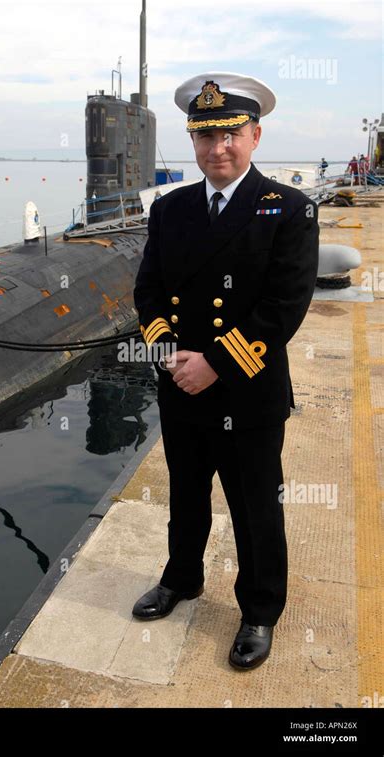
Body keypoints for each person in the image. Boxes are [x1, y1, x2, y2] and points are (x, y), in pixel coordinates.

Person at [132, 72, 319, 671]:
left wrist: (214, 363)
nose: (218, 149)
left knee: (255, 504)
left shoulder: (288, 209)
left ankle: (260, 609)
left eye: (231, 135)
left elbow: (284, 306)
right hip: (181, 383)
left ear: (255, 136)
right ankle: (181, 579)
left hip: (248, 390)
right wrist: (168, 353)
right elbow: (150, 290)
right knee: (185, 496)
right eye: (205, 137)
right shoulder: (171, 209)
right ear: (193, 141)